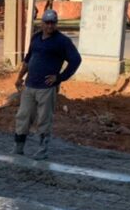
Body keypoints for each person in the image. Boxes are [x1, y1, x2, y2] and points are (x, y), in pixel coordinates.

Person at [13, 9, 82, 160]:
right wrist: (19, 77)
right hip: (30, 86)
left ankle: (42, 150)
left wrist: (59, 77)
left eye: (53, 23)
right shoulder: (36, 38)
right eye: (47, 23)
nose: (50, 26)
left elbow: (76, 60)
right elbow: (28, 60)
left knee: (44, 120)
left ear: (56, 24)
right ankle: (19, 147)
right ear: (42, 23)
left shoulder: (62, 41)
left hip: (46, 88)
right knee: (23, 116)